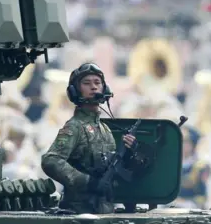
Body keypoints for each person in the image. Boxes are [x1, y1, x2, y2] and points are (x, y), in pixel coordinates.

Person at [41, 63, 141, 214]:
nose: (93, 87)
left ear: (104, 88)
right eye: (86, 83)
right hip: (78, 212)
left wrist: (130, 152)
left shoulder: (105, 129)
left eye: (97, 83)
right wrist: (87, 182)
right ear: (75, 91)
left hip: (105, 211)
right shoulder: (74, 127)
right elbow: (51, 160)